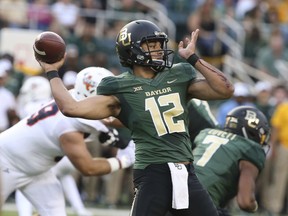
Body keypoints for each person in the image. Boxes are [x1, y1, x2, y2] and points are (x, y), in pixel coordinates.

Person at [37, 19, 234, 216]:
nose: (158, 50)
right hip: (153, 173)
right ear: (131, 50)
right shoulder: (120, 88)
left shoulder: (178, 76)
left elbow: (225, 90)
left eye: (159, 44)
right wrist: (52, 71)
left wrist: (192, 58)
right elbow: (70, 108)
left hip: (186, 173)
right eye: (151, 45)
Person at [0, 67, 135, 216]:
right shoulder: (69, 126)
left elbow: (108, 118)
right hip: (5, 163)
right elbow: (88, 168)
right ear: (93, 96)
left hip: (37, 171)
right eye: (108, 97)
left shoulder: (75, 101)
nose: (112, 101)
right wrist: (124, 160)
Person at [193, 106, 270, 215]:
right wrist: (255, 206)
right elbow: (245, 202)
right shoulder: (249, 149)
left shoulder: (205, 133)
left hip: (173, 191)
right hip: (200, 202)